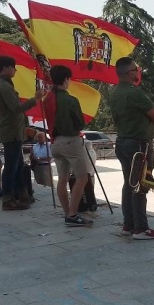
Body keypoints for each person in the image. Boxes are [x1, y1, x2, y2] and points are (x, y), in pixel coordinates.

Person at [110, 58, 154, 239]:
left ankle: (128, 225)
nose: (139, 71)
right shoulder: (135, 93)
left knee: (129, 185)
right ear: (130, 73)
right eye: (136, 69)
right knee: (140, 186)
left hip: (122, 142)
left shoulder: (115, 92)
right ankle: (141, 228)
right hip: (139, 146)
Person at [0, 55, 45, 211]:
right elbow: (16, 108)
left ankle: (23, 195)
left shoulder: (2, 85)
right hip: (11, 132)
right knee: (11, 167)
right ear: (5, 68)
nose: (15, 70)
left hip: (13, 131)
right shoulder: (4, 86)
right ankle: (8, 199)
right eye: (13, 67)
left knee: (18, 165)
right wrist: (35, 99)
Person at [44, 65, 93, 227]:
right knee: (82, 177)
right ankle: (73, 214)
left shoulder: (47, 98)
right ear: (66, 79)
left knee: (62, 179)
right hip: (71, 141)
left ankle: (67, 212)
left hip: (55, 142)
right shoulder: (70, 100)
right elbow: (79, 123)